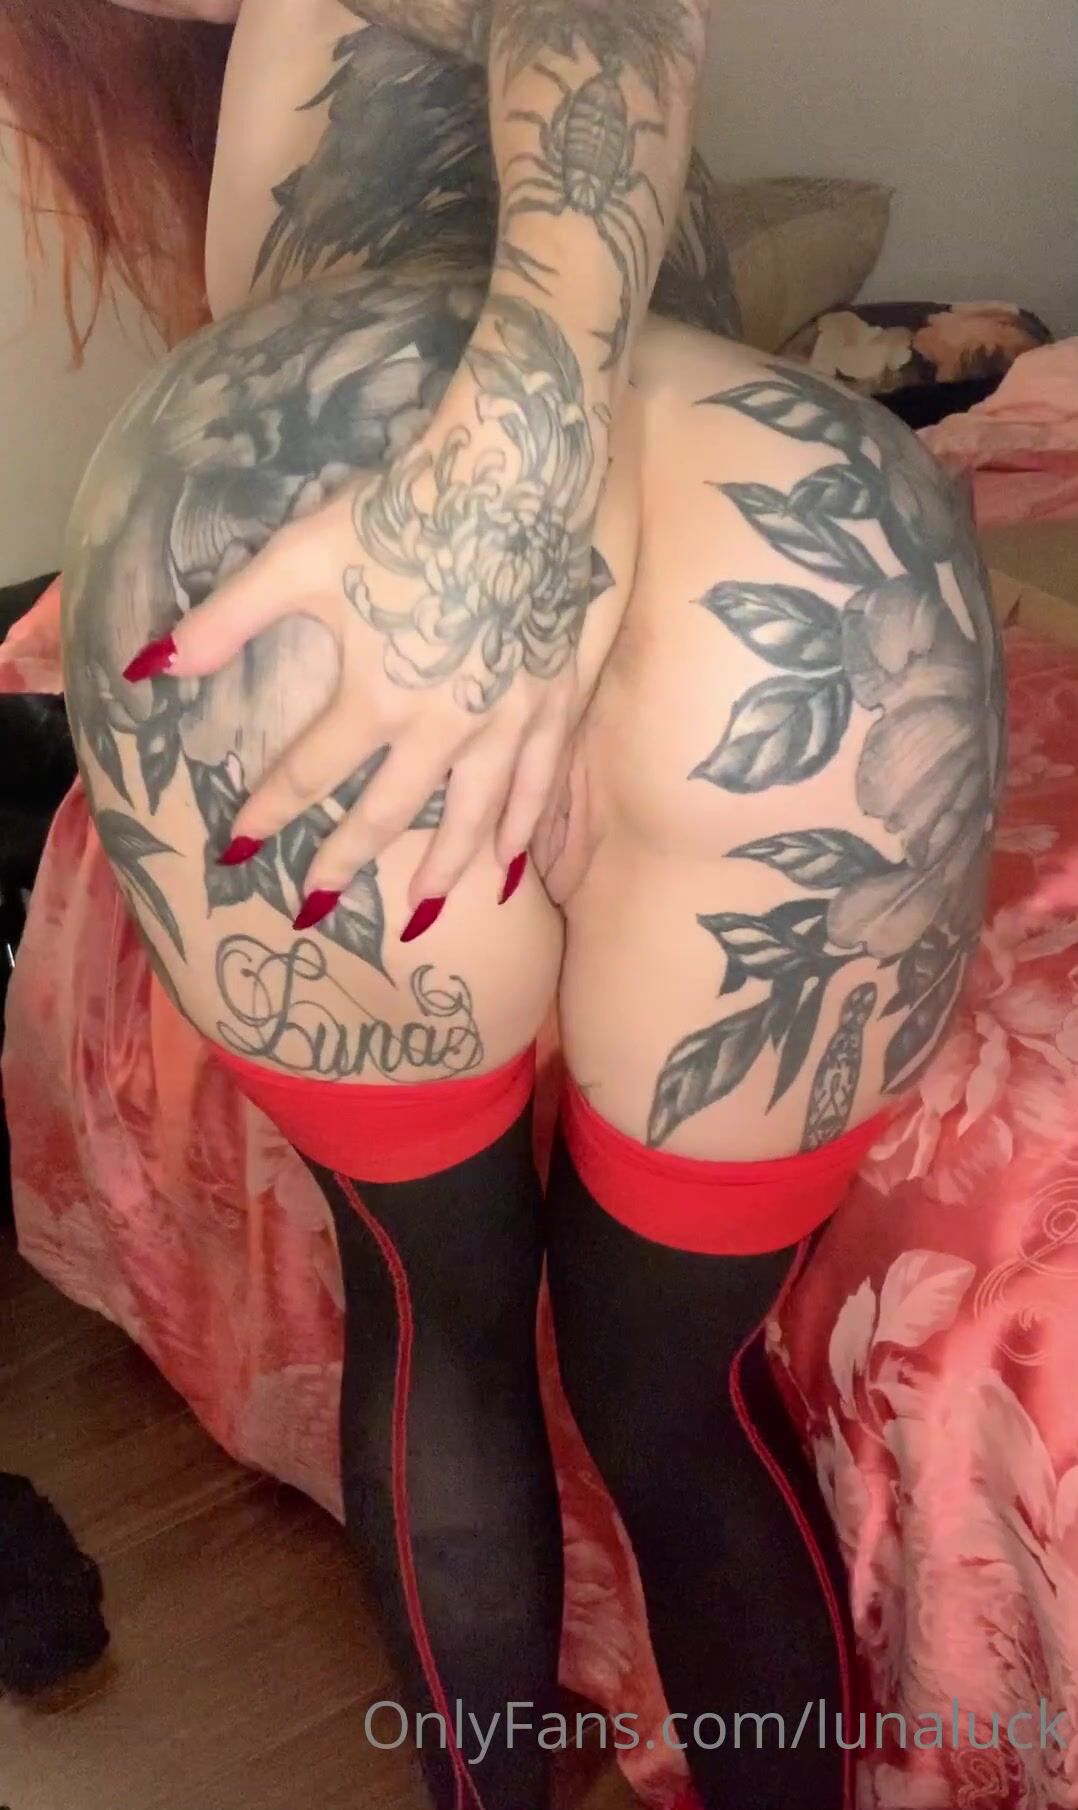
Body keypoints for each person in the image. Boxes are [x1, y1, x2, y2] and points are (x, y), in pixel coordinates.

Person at [0, 3, 1004, 1806]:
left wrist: (511, 470)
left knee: (437, 1326)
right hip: (776, 532)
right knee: (679, 1395)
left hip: (306, 544)